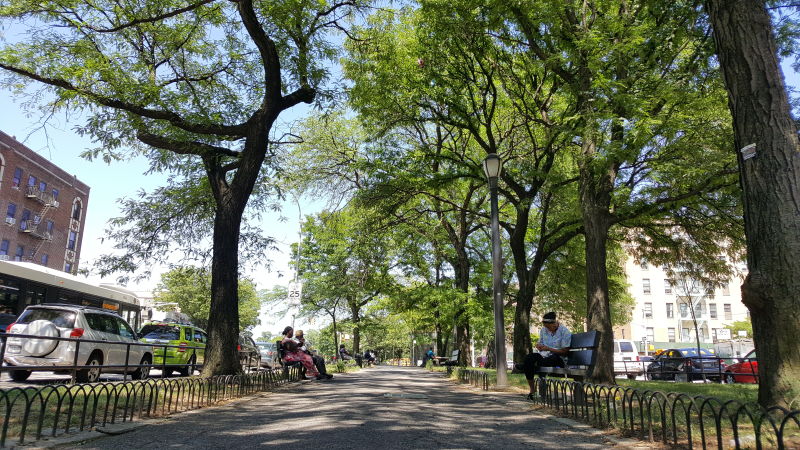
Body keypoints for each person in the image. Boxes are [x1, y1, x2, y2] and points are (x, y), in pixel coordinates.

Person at [517, 312, 572, 400]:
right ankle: (532, 390)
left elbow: (565, 351)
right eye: (546, 327)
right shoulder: (543, 330)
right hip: (544, 356)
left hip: (558, 358)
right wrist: (538, 345)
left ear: (554, 324)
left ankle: (524, 366)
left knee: (537, 362)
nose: (547, 329)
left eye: (548, 327)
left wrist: (549, 349)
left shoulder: (564, 332)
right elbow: (540, 343)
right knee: (529, 358)